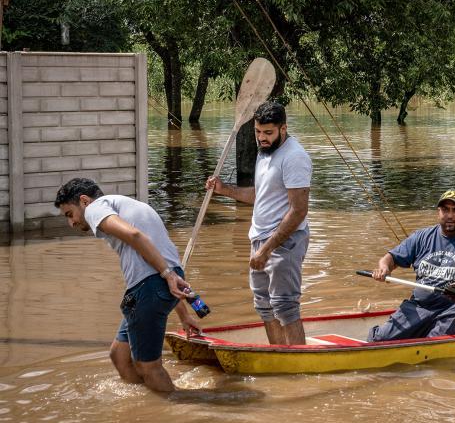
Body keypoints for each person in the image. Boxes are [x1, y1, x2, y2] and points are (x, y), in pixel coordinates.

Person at [54, 178, 204, 393]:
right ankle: (149, 402)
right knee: (119, 355)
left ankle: (176, 407)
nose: (72, 223)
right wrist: (184, 314)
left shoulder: (95, 208)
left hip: (150, 286)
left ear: (84, 201)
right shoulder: (129, 205)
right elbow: (167, 269)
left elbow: (134, 236)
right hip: (157, 283)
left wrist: (167, 274)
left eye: (70, 214)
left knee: (148, 367)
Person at [206, 102, 312, 345]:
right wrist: (224, 190)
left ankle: (297, 360)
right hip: (259, 238)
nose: (262, 138)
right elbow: (260, 195)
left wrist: (266, 249)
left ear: (283, 128)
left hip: (284, 242)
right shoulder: (264, 152)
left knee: (285, 307)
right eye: (257, 132)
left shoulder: (295, 157)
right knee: (264, 307)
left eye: (268, 133)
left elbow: (298, 211)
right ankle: (277, 355)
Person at [368, 189, 455, 342]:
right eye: (445, 210)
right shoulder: (421, 237)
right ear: (438, 212)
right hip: (420, 306)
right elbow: (390, 258)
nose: (450, 215)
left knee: (452, 324)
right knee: (379, 339)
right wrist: (384, 268)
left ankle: (429, 343)